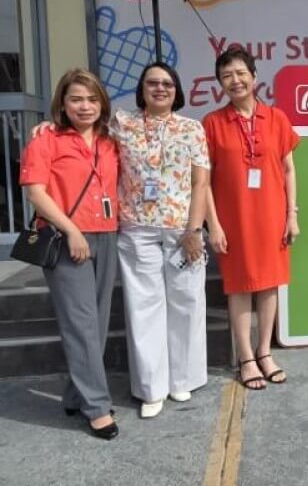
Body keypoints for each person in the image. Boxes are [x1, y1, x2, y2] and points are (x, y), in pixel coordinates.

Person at [19, 69, 120, 439]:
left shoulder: (111, 142)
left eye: (92, 99)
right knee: (80, 323)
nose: (85, 106)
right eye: (76, 98)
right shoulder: (46, 140)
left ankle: (76, 393)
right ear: (62, 102)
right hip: (66, 238)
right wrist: (72, 229)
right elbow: (36, 193)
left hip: (106, 235)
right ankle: (97, 407)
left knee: (98, 321)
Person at [114, 62, 210, 418]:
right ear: (142, 89)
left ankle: (182, 379)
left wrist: (194, 230)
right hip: (137, 228)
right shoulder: (121, 125)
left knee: (187, 302)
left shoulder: (192, 129)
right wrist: (49, 126)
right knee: (144, 307)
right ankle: (151, 388)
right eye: (152, 83)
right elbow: (82, 132)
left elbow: (201, 183)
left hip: (181, 229)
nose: (160, 88)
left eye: (167, 83)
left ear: (177, 89)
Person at [203, 47, 300, 390]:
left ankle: (265, 351)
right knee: (240, 287)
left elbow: (288, 170)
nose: (235, 80)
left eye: (241, 73)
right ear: (220, 84)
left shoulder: (277, 119)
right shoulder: (212, 124)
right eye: (227, 76)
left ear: (254, 77)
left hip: (272, 215)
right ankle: (245, 357)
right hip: (234, 219)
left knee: (270, 284)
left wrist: (292, 215)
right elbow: (203, 181)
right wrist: (212, 224)